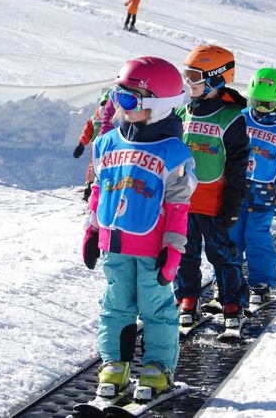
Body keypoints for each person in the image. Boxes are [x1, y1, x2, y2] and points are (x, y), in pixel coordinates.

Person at [82, 56, 197, 400]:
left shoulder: (172, 152)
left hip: (153, 248)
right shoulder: (106, 143)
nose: (121, 106)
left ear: (158, 106)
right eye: (118, 97)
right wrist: (91, 230)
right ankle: (115, 364)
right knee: (114, 305)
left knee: (156, 308)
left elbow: (179, 208)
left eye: (130, 99)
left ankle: (157, 366)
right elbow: (100, 190)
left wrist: (173, 249)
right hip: (114, 243)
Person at [174, 44, 250, 333]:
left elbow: (238, 166)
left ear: (217, 78)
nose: (188, 82)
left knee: (222, 255)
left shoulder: (230, 118)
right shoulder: (181, 112)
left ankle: (232, 302)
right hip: (182, 202)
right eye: (187, 75)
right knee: (184, 254)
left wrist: (232, 205)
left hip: (214, 204)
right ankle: (188, 298)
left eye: (195, 76)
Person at [228, 67, 276, 307]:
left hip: (266, 193)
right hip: (235, 189)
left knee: (257, 236)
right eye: (256, 102)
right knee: (232, 235)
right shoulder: (240, 116)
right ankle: (229, 276)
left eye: (266, 105)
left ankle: (261, 282)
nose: (259, 109)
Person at [72, 89, 111, 201]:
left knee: (94, 166)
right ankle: (104, 189)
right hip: (112, 145)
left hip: (97, 145)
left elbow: (87, 132)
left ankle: (90, 189)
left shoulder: (94, 117)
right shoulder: (117, 115)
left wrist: (81, 144)